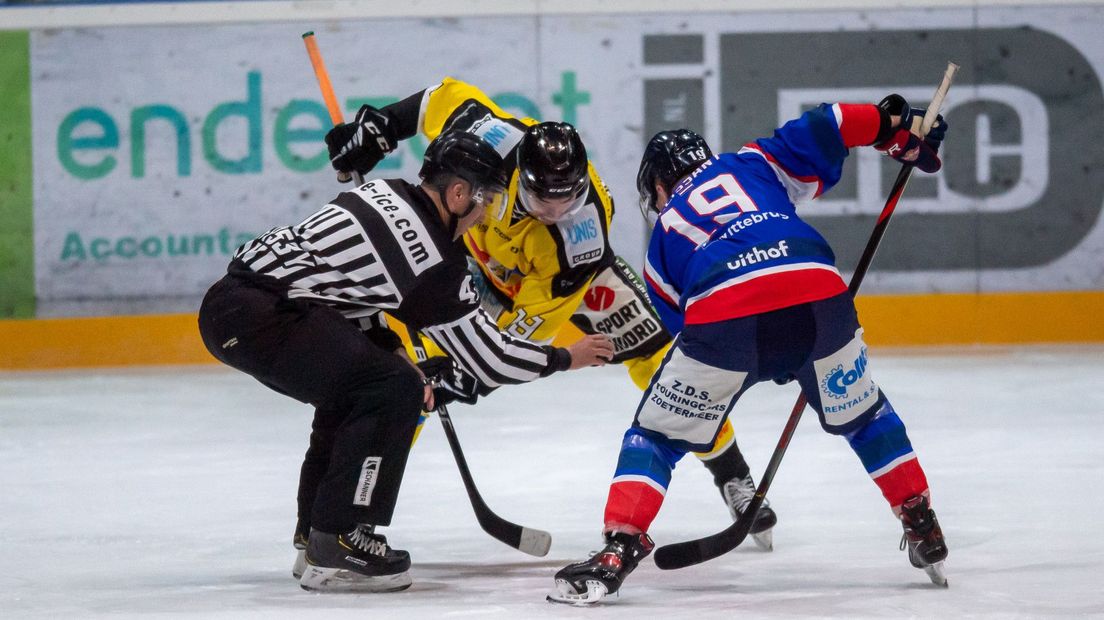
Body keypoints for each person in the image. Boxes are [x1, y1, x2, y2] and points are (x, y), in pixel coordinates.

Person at [322, 77, 779, 549]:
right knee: (410, 382)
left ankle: (733, 476)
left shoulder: (578, 239)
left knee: (663, 369)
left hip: (573, 286)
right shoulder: (492, 138)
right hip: (476, 268)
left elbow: (518, 338)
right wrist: (383, 126)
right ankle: (350, 516)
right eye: (545, 200)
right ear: (521, 176)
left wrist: (464, 376)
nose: (557, 209)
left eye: (569, 198)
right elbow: (439, 98)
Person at [549, 94, 951, 605]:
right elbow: (830, 122)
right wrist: (893, 129)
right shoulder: (751, 164)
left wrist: (739, 366)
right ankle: (921, 519)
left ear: (656, 184)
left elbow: (685, 330)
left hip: (726, 314)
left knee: (656, 435)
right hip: (817, 294)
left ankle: (619, 549)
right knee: (866, 415)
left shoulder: (664, 234)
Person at [197, 130, 613, 593]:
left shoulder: (385, 190)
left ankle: (316, 536)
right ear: (458, 193)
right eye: (485, 199)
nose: (485, 214)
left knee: (357, 392)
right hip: (267, 316)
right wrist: (564, 357)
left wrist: (391, 349)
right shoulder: (435, 260)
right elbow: (489, 359)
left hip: (237, 306)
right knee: (394, 388)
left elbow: (347, 290)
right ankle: (339, 537)